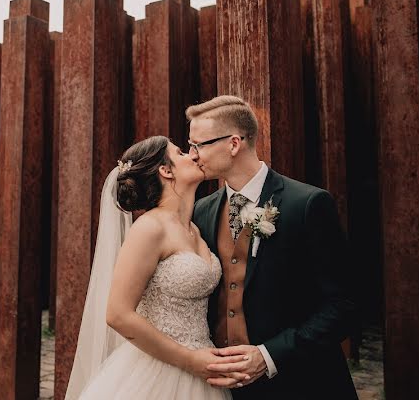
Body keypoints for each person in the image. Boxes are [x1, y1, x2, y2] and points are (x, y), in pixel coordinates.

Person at [188, 95, 358, 399]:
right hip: (224, 390)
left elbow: (344, 306)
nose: (192, 155)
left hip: (303, 383)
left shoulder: (307, 204)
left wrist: (268, 356)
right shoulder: (201, 210)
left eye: (198, 145)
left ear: (234, 143)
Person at [65, 136, 248, 399]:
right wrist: (189, 360)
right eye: (182, 152)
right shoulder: (150, 228)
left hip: (205, 366)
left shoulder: (195, 229)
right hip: (159, 370)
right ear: (166, 170)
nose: (194, 155)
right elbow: (118, 314)